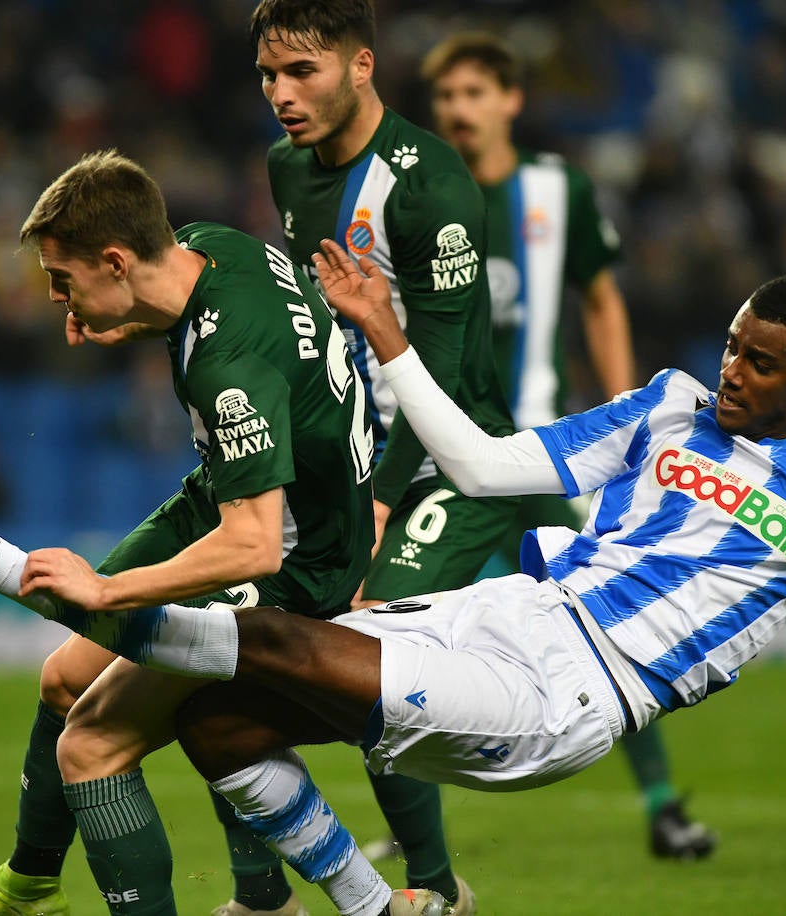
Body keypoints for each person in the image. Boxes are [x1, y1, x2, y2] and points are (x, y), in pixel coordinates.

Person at [0, 255, 786, 915]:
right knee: (219, 727)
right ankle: (381, 908)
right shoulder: (669, 407)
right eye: (733, 346)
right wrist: (390, 344)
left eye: (761, 362)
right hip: (515, 612)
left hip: (583, 690)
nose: (733, 370)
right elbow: (480, 466)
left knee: (282, 634)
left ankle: (0, 565)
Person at [0, 150, 427, 916]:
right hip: (239, 503)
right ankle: (31, 884)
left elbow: (253, 546)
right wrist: (129, 321)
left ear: (115, 259)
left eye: (62, 277)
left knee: (92, 746)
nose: (54, 296)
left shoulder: (226, 364)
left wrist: (106, 586)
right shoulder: (218, 246)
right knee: (62, 678)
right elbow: (228, 342)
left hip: (290, 565)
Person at [203, 3, 520, 914]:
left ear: (361, 66)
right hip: (346, 455)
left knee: (369, 648)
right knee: (238, 642)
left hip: (449, 466)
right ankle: (263, 897)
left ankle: (433, 892)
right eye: (267, 74)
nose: (279, 94)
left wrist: (379, 497)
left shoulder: (431, 187)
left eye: (301, 70)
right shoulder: (286, 168)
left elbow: (453, 375)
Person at [420, 31, 713, 859]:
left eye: (474, 93)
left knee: (610, 617)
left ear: (511, 100)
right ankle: (412, 829)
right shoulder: (419, 195)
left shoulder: (558, 190)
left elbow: (601, 301)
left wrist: (633, 425)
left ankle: (661, 803)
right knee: (400, 625)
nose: (457, 110)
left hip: (542, 448)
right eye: (445, 97)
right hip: (440, 454)